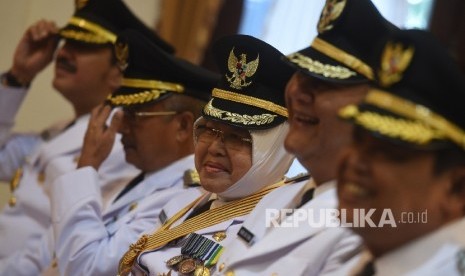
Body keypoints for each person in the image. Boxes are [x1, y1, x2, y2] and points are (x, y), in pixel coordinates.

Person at [0, 28, 219, 275]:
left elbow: (88, 268)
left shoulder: (184, 199)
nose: (121, 127)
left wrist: (86, 167)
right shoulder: (126, 177)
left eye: (134, 116)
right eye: (121, 114)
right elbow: (42, 254)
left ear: (181, 126)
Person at [214, 0, 398, 275]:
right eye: (301, 74)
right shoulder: (280, 197)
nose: (298, 92)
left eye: (325, 84)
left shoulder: (370, 225)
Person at [117, 34, 296, 276]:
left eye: (236, 137)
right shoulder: (182, 203)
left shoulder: (281, 228)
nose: (213, 147)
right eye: (209, 130)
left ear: (275, 148)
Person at [338, 29, 465, 276]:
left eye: (387, 152)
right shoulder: (378, 260)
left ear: (456, 189)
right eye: (357, 140)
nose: (355, 161)